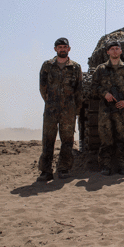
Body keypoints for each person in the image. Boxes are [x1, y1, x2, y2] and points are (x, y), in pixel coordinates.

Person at [37, 37, 83, 182]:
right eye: (59, 47)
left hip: (68, 110)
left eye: (65, 47)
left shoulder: (75, 67)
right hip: (51, 109)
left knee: (67, 140)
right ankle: (46, 171)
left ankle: (63, 169)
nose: (62, 49)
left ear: (69, 49)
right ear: (55, 49)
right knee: (48, 140)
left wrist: (75, 108)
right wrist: (51, 101)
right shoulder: (47, 66)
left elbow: (79, 90)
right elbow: (42, 87)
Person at [91, 40, 124, 176]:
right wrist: (104, 93)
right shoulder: (101, 69)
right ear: (107, 52)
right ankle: (105, 166)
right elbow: (93, 87)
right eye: (112, 49)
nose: (115, 51)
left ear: (121, 51)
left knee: (122, 139)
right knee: (106, 140)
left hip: (121, 110)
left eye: (117, 48)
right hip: (105, 110)